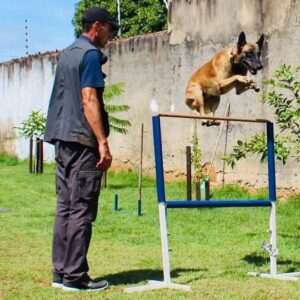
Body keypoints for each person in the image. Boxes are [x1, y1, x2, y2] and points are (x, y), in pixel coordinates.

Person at [44, 7, 119, 292]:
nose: (110, 35)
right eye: (109, 29)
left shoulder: (67, 53)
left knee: (65, 207)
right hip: (82, 142)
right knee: (82, 209)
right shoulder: (89, 55)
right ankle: (76, 277)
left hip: (62, 140)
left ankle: (61, 273)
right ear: (96, 26)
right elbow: (89, 99)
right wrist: (102, 141)